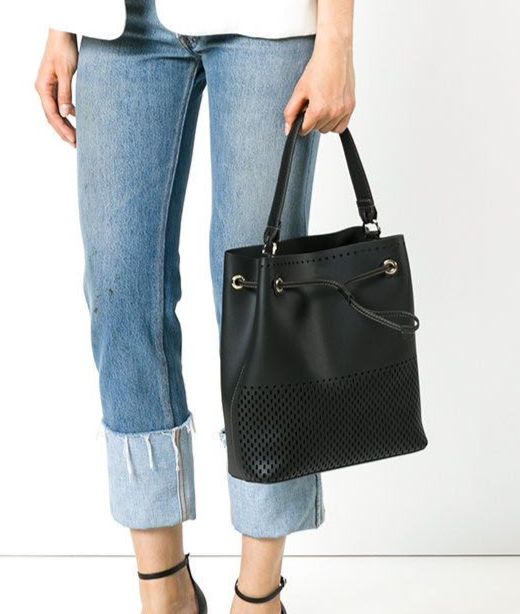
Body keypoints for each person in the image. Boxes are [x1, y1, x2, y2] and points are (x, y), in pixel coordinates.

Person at [34, 0, 356, 612]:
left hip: (266, 24)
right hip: (123, 25)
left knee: (263, 299)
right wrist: (61, 21)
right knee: (120, 293)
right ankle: (165, 592)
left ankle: (259, 596)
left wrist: (337, 39)